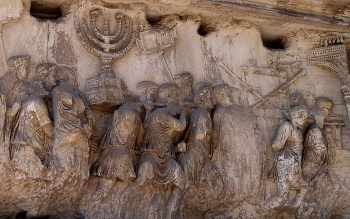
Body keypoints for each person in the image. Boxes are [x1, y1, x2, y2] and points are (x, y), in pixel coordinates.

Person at [137, 83, 188, 219]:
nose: (178, 99)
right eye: (176, 95)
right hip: (155, 158)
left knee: (160, 193)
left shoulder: (155, 114)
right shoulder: (161, 115)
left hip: (164, 157)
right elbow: (181, 126)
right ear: (169, 97)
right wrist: (183, 112)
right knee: (179, 182)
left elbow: (166, 141)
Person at [261, 105, 308, 211]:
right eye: (304, 116)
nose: (305, 120)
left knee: (300, 189)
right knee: (282, 195)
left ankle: (291, 209)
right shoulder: (287, 126)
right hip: (285, 165)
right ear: (297, 115)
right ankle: (263, 210)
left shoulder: (299, 132)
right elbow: (277, 144)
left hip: (294, 165)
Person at [178, 87, 221, 188]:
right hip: (197, 157)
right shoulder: (204, 114)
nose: (212, 102)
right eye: (209, 98)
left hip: (188, 154)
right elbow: (200, 134)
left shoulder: (194, 113)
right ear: (203, 100)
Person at [92, 103, 143, 181]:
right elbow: (139, 135)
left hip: (112, 151)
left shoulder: (120, 113)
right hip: (120, 153)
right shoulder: (132, 115)